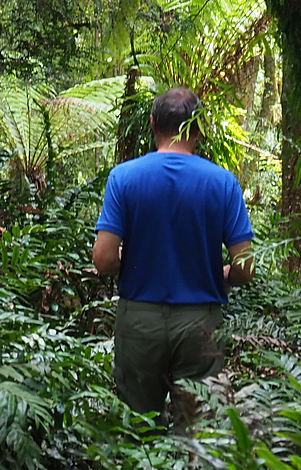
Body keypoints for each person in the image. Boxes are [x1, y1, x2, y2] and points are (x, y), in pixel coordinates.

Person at [92, 86, 254, 425]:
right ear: (199, 128)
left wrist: (129, 260)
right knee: (196, 435)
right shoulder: (223, 183)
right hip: (201, 324)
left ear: (153, 124)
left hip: (140, 321)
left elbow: (103, 260)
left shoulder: (123, 178)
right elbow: (245, 266)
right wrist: (226, 275)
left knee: (138, 429)